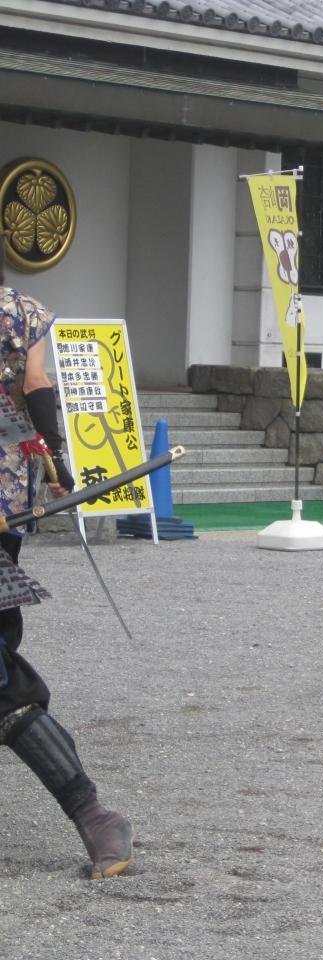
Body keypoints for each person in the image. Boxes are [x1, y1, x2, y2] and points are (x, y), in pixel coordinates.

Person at [0, 258, 134, 879]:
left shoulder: (19, 310)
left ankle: (92, 812)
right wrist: (53, 458)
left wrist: (52, 456)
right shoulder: (22, 311)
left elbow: (34, 386)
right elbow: (33, 385)